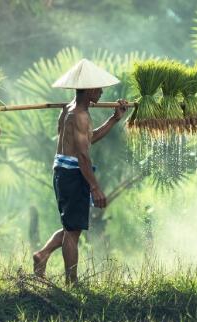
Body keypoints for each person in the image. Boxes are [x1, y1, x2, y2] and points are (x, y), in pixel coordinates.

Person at [32, 59, 128, 284]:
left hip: (62, 171)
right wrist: (95, 187)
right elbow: (83, 156)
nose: (102, 92)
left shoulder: (69, 110)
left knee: (70, 227)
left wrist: (114, 119)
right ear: (88, 90)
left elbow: (88, 139)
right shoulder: (80, 116)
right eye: (98, 88)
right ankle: (71, 282)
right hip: (73, 174)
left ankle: (42, 255)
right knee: (73, 233)